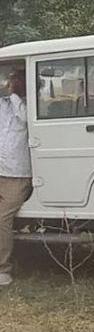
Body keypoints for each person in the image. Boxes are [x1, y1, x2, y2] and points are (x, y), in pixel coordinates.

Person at [0, 69, 32, 286]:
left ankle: (3, 269)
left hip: (16, 174)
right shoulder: (3, 104)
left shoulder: (29, 104)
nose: (10, 82)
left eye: (15, 79)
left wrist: (14, 94)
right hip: (1, 169)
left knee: (2, 218)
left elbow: (25, 118)